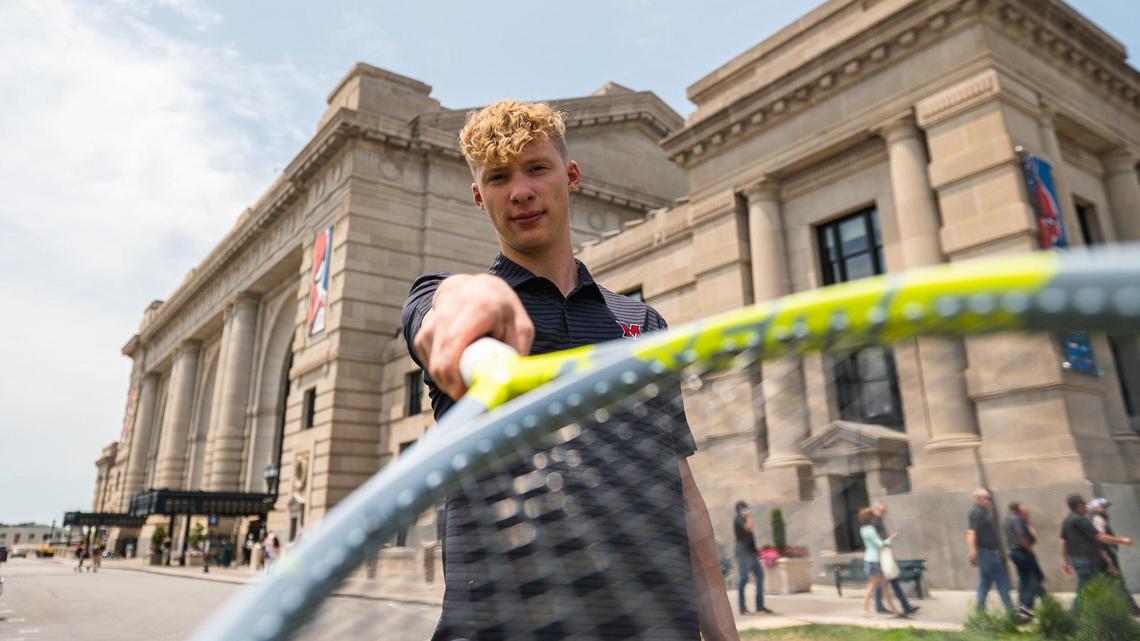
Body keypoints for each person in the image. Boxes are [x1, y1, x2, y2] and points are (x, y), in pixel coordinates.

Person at [401, 99, 737, 640]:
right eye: (498, 177)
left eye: (536, 168)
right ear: (478, 196)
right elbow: (439, 308)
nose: (521, 191)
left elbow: (681, 486)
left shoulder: (641, 321)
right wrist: (474, 293)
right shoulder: (459, 307)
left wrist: (723, 634)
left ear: (570, 175)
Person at [1060, 493, 1133, 612]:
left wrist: (1066, 561)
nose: (1086, 507)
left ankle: (1093, 614)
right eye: (1084, 504)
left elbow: (1063, 542)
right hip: (1086, 560)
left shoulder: (1067, 520)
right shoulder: (1081, 520)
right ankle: (1072, 617)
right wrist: (1122, 540)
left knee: (1091, 588)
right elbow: (1100, 537)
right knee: (1085, 589)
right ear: (1078, 506)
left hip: (1078, 560)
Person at [1087, 497, 1139, 615]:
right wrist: (1122, 541)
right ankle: (1131, 609)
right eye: (1104, 507)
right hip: (1105, 556)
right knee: (1117, 581)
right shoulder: (1098, 519)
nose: (1107, 509)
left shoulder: (1096, 518)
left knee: (1110, 583)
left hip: (1102, 556)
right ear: (1097, 508)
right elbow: (1102, 539)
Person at [967, 488, 1013, 611]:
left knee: (985, 582)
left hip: (987, 552)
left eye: (990, 498)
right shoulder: (977, 513)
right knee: (1001, 579)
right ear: (979, 499)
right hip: (985, 552)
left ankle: (980, 612)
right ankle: (1010, 610)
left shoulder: (984, 512)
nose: (990, 501)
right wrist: (972, 552)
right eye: (988, 498)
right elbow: (971, 532)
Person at [871, 503, 919, 615]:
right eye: (882, 511)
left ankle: (880, 605)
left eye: (884, 512)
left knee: (883, 581)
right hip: (882, 555)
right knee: (893, 579)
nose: (883, 514)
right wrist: (890, 539)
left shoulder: (876, 521)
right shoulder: (874, 522)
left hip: (882, 555)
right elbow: (878, 542)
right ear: (876, 510)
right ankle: (905, 606)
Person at [859, 507, 904, 618]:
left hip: (871, 560)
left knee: (883, 586)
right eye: (873, 515)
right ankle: (864, 609)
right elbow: (879, 544)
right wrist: (891, 538)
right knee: (873, 586)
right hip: (875, 561)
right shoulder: (870, 530)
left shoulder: (863, 529)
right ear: (870, 517)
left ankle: (894, 611)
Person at [1005, 502, 1046, 618]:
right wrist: (1029, 549)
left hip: (1017, 552)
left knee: (1028, 580)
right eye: (1026, 513)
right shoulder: (1017, 520)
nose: (1027, 516)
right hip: (1022, 552)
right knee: (1032, 579)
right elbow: (1021, 536)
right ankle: (1028, 608)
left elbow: (1033, 537)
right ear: (1019, 511)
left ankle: (1026, 609)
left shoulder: (1010, 519)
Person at [733, 501, 772, 616]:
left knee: (760, 575)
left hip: (751, 553)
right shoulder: (738, 519)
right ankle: (742, 607)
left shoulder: (743, 518)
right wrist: (748, 516)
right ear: (741, 510)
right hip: (743, 554)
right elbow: (748, 528)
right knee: (743, 579)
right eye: (745, 509)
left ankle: (759, 606)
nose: (747, 511)